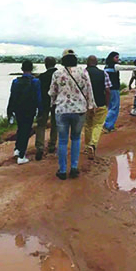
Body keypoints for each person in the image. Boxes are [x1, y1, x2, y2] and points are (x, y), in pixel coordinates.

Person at [49, 48, 95, 180]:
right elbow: (88, 90)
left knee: (62, 141)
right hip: (79, 110)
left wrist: (52, 104)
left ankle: (62, 170)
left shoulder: (57, 74)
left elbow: (52, 92)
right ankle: (74, 168)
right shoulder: (83, 72)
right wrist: (91, 106)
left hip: (62, 110)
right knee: (75, 139)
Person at [7, 60, 42, 165]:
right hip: (29, 109)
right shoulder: (35, 81)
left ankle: (17, 149)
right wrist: (40, 110)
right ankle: (21, 156)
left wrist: (9, 110)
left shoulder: (15, 81)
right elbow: (38, 98)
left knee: (20, 128)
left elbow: (12, 97)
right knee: (26, 130)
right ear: (32, 69)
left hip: (18, 109)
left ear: (22, 69)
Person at [83, 55, 111, 159]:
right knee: (98, 125)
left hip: (86, 105)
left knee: (88, 125)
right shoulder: (103, 73)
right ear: (97, 63)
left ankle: (86, 146)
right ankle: (92, 144)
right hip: (100, 103)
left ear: (87, 63)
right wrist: (107, 103)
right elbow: (108, 90)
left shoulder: (82, 73)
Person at [34, 56, 58, 161]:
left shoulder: (42, 77)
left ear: (45, 64)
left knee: (41, 125)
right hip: (57, 102)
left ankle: (40, 146)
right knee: (55, 124)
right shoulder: (59, 75)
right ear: (55, 64)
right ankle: (52, 145)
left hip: (44, 103)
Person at [102, 51, 121, 132]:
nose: (118, 59)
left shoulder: (106, 67)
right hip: (114, 89)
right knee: (114, 107)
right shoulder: (115, 66)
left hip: (107, 89)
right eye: (116, 57)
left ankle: (109, 125)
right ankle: (107, 125)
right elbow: (126, 68)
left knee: (109, 107)